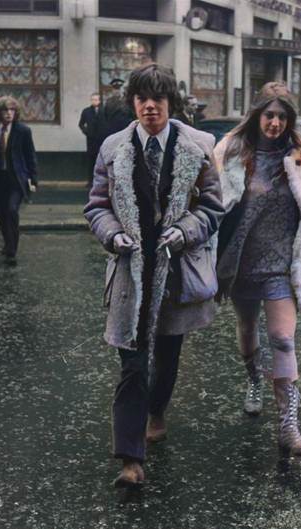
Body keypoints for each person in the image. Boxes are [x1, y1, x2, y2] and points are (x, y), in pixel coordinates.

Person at [84, 63, 223, 488]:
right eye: (142, 99)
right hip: (130, 272)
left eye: (158, 99)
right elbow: (97, 205)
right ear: (133, 103)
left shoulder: (197, 147)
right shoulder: (113, 148)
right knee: (132, 365)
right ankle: (130, 461)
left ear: (170, 103)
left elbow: (213, 207)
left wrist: (186, 231)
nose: (150, 107)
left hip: (175, 273)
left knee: (166, 359)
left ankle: (157, 411)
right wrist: (112, 235)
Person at [214, 82, 301, 456]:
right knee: (247, 329)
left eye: (282, 117)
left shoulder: (298, 157)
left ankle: (289, 427)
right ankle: (253, 381)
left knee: (282, 338)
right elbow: (216, 205)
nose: (275, 123)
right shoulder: (232, 152)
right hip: (242, 263)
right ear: (257, 116)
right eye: (269, 115)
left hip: (281, 266)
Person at [0, 97, 38, 265]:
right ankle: (7, 243)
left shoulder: (23, 131)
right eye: (5, 110)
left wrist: (33, 178)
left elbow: (30, 155)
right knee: (1, 214)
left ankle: (12, 249)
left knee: (12, 210)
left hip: (16, 178)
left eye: (12, 110)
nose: (9, 114)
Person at [78, 92, 103, 186]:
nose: (94, 101)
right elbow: (81, 124)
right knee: (91, 161)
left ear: (99, 101)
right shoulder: (86, 111)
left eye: (96, 100)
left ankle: (101, 181)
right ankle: (90, 181)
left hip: (101, 140)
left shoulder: (104, 111)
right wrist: (87, 132)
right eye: (93, 100)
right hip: (91, 140)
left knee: (101, 161)